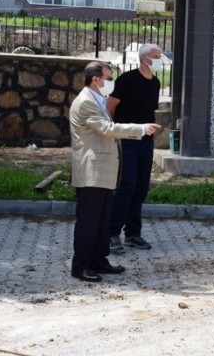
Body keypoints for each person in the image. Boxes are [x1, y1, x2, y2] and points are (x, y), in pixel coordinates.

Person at [69, 61, 160, 283]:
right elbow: (107, 129)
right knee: (89, 222)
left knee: (101, 221)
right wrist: (140, 129)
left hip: (103, 172)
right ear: (96, 80)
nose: (111, 82)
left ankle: (99, 260)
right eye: (108, 78)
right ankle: (80, 266)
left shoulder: (96, 100)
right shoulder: (85, 102)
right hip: (92, 172)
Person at [107, 43, 162, 254]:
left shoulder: (155, 82)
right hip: (127, 138)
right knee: (126, 185)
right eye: (156, 56)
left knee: (141, 186)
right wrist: (119, 129)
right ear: (144, 58)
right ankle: (112, 233)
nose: (159, 60)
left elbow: (150, 110)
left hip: (146, 141)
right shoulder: (127, 80)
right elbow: (111, 105)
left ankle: (132, 233)